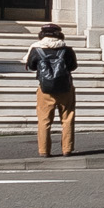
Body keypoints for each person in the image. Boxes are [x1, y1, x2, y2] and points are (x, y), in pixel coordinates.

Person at [26, 24, 77, 157]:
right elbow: (73, 66)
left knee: (44, 120)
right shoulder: (67, 50)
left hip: (45, 89)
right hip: (65, 88)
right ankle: (67, 149)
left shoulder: (36, 49)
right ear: (59, 35)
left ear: (42, 35)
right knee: (67, 118)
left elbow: (31, 66)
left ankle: (44, 151)